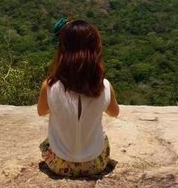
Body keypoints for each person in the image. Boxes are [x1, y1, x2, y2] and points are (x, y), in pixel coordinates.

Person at [37, 19, 120, 177]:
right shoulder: (104, 86)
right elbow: (114, 112)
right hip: (96, 164)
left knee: (48, 140)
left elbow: (42, 111)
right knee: (103, 136)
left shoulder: (48, 86)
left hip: (58, 164)